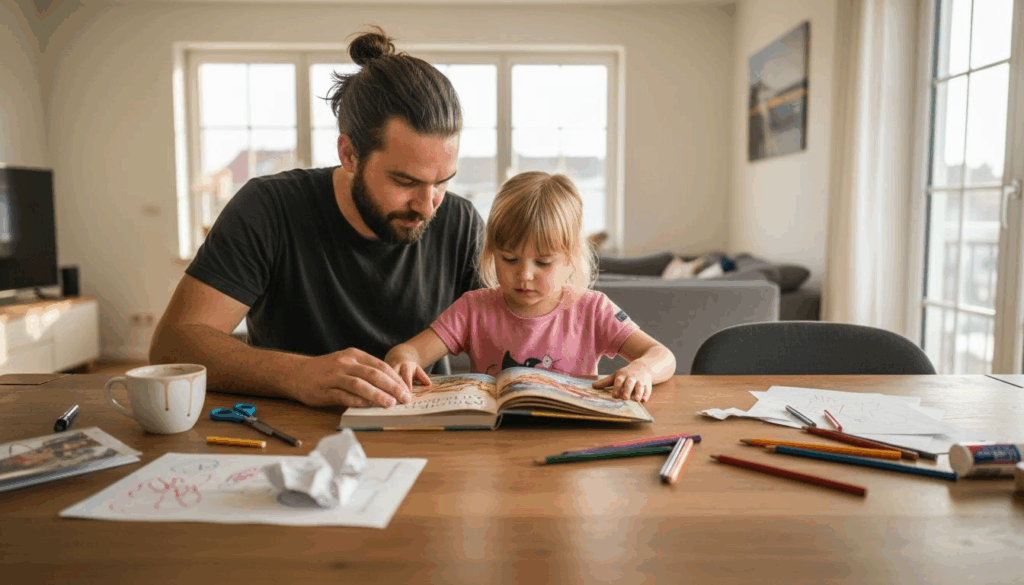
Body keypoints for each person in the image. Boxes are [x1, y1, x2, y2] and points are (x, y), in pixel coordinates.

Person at [149, 27, 484, 409]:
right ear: (350, 155)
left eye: (442, 181)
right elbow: (172, 348)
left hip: (425, 431)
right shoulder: (268, 209)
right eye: (405, 181)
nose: (428, 205)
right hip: (291, 439)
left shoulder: (461, 222)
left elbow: (509, 327)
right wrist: (297, 373)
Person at [385, 172, 676, 403]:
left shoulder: (593, 309)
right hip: (496, 446)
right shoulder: (474, 308)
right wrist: (403, 362)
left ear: (570, 259)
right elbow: (405, 352)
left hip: (572, 443)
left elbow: (663, 356)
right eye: (509, 259)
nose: (524, 275)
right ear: (491, 253)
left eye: (543, 262)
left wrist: (641, 369)